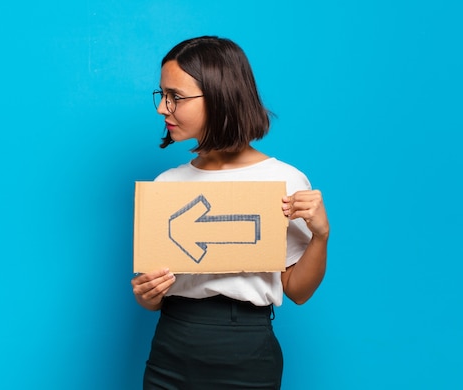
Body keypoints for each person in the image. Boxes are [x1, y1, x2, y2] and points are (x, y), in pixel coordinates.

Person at [131, 36, 329, 389]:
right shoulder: (167, 184)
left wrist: (320, 236)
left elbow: (297, 290)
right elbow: (157, 292)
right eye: (161, 95)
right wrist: (149, 295)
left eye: (175, 97)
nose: (163, 108)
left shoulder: (283, 179)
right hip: (172, 345)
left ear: (220, 96)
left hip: (246, 350)